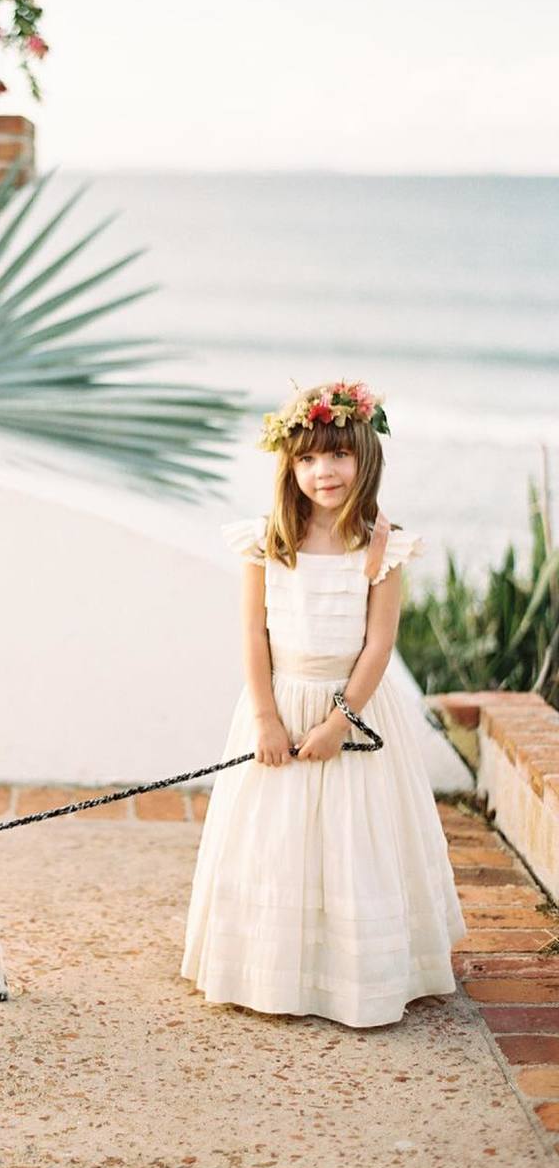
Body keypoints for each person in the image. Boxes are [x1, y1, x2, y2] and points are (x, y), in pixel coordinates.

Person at [181, 380, 467, 1028]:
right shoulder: (266, 540)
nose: (323, 470)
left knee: (354, 836)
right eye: (308, 458)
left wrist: (341, 721)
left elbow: (379, 643)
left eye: (337, 455)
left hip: (354, 706)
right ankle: (272, 965)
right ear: (290, 465)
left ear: (365, 457)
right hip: (279, 698)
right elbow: (254, 633)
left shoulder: (382, 545)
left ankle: (355, 973)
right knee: (273, 835)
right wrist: (266, 719)